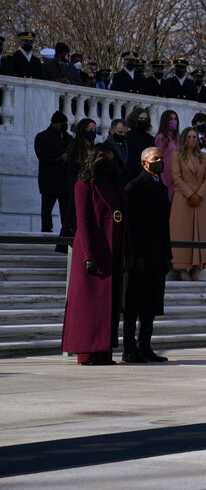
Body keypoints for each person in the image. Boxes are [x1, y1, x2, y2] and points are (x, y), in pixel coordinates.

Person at [61, 143, 131, 365]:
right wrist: (89, 255)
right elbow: (83, 221)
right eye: (104, 159)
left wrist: (128, 250)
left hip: (113, 249)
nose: (108, 164)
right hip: (92, 250)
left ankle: (104, 350)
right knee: (90, 304)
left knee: (109, 304)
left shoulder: (116, 184)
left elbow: (123, 217)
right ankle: (87, 352)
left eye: (111, 159)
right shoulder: (84, 184)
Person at [122, 147, 172, 363]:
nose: (159, 162)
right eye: (155, 159)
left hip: (157, 255)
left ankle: (145, 345)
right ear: (144, 163)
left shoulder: (161, 188)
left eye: (161, 158)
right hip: (139, 256)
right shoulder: (134, 187)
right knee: (133, 305)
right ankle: (130, 348)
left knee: (151, 305)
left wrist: (167, 255)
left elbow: (165, 227)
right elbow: (129, 226)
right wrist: (132, 255)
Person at [169, 127, 206, 281]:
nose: (192, 139)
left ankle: (196, 267)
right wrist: (190, 194)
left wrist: (199, 194)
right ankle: (182, 268)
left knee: (199, 234)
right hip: (183, 199)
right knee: (182, 232)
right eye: (190, 137)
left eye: (195, 137)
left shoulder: (204, 156)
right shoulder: (177, 156)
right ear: (184, 139)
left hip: (200, 201)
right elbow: (177, 177)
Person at [34, 112, 71, 234]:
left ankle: (65, 231)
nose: (64, 126)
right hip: (49, 180)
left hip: (65, 181)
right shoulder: (42, 137)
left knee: (65, 209)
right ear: (55, 124)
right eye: (61, 123)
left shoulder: (68, 138)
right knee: (47, 208)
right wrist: (60, 157)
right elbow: (43, 155)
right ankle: (46, 231)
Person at [62, 118, 98, 244]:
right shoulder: (75, 148)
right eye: (90, 129)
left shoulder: (94, 148)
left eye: (94, 130)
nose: (93, 132)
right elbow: (72, 170)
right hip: (77, 185)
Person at [154, 109, 180, 200]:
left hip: (177, 174)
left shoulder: (178, 137)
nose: (174, 121)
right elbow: (158, 158)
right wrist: (162, 176)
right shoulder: (161, 137)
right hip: (166, 174)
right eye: (171, 119)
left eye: (175, 119)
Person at [125, 108, 156, 181]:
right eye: (141, 118)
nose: (143, 121)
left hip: (147, 175)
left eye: (145, 119)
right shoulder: (128, 136)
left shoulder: (150, 138)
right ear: (134, 119)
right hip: (132, 174)